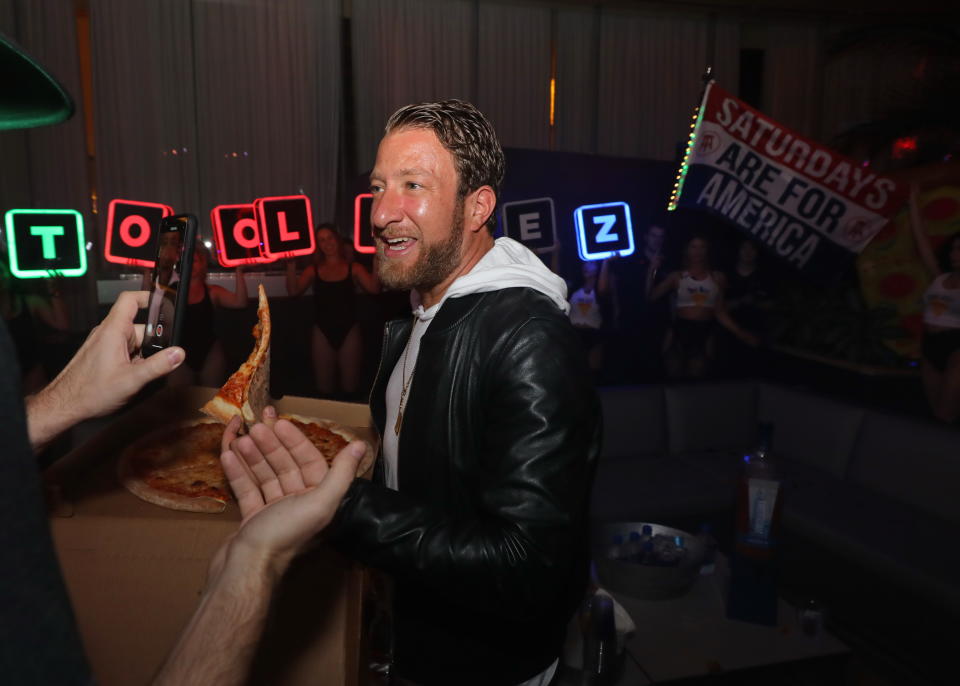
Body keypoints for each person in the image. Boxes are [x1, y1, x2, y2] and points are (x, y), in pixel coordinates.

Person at [233, 100, 601, 685]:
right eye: (380, 187)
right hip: (420, 644)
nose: (382, 213)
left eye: (413, 185)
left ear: (478, 206)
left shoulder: (529, 342)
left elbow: (527, 567)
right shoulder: (422, 312)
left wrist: (343, 507)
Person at [286, 223, 379, 397]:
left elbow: (374, 288)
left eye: (329, 238)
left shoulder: (354, 268)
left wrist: (376, 260)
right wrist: (291, 266)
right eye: (321, 240)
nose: (327, 243)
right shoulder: (313, 269)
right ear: (318, 245)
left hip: (350, 329)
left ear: (337, 239)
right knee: (323, 390)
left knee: (350, 389)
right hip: (321, 330)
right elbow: (293, 291)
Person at [647, 233, 757, 379]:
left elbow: (720, 312)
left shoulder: (717, 277)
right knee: (673, 379)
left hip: (704, 331)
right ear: (687, 250)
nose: (697, 251)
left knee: (697, 381)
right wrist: (651, 270)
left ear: (707, 250)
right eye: (694, 246)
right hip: (679, 330)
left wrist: (741, 332)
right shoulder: (677, 276)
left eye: (702, 247)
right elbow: (650, 297)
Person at [907, 183, 960, 422]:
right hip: (930, 345)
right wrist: (912, 204)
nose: (954, 254)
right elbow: (923, 243)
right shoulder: (940, 277)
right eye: (954, 249)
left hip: (956, 347)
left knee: (946, 412)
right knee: (936, 415)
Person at [1, 254, 71, 394]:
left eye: (1, 272)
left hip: (32, 371)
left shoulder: (28, 302)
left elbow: (61, 324)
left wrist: (53, 289)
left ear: (9, 275)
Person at [568, 259, 611, 374]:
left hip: (593, 335)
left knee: (593, 373)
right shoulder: (574, 289)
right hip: (574, 335)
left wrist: (605, 262)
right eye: (585, 263)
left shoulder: (600, 289)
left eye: (592, 263)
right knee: (575, 372)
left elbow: (602, 288)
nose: (588, 265)